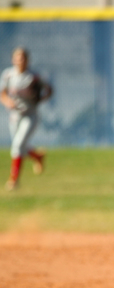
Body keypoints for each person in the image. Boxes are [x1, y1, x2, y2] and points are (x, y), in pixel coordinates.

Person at [1, 47, 53, 191]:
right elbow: (3, 94)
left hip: (30, 115)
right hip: (15, 115)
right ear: (13, 60)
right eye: (17, 58)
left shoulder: (34, 77)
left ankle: (14, 181)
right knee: (19, 146)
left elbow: (49, 89)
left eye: (22, 58)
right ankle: (37, 156)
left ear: (28, 60)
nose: (20, 61)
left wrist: (41, 98)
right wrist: (8, 102)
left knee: (17, 145)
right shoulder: (8, 75)